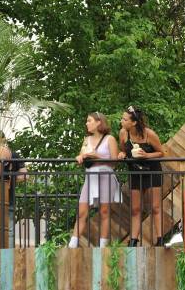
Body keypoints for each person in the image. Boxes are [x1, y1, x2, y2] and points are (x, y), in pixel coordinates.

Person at [68, 113, 121, 248]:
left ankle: (102, 246)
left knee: (104, 211)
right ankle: (72, 245)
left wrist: (98, 156)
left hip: (106, 176)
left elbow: (115, 162)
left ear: (99, 122)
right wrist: (79, 157)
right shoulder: (86, 139)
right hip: (90, 177)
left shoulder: (110, 139)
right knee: (82, 211)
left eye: (89, 120)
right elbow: (82, 153)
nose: (87, 123)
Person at [118, 106, 164, 247]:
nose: (121, 121)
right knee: (136, 208)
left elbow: (161, 153)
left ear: (134, 122)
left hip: (152, 171)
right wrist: (122, 154)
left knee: (155, 207)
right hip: (135, 172)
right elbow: (123, 150)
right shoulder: (123, 133)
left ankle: (160, 239)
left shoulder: (149, 134)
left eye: (125, 119)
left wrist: (147, 155)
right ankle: (133, 240)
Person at [0, 131, 27, 248]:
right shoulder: (13, 155)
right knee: (9, 232)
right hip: (8, 198)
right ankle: (7, 262)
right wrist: (12, 179)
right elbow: (25, 175)